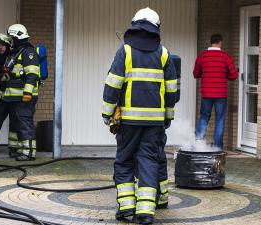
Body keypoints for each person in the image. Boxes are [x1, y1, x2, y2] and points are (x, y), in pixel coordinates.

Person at [102, 7, 177, 224]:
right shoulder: (163, 53)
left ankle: (126, 208)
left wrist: (107, 114)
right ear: (156, 28)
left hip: (129, 122)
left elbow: (112, 85)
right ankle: (145, 212)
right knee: (149, 162)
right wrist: (167, 117)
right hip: (154, 122)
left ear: (134, 25)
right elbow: (171, 90)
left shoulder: (124, 51)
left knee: (124, 161)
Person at [193, 33, 238, 150]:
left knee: (204, 117)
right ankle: (218, 148)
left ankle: (198, 144)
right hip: (221, 94)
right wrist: (224, 74)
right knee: (220, 119)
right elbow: (233, 76)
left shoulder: (202, 57)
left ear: (210, 41)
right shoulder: (225, 57)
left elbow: (196, 74)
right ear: (220, 42)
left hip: (206, 94)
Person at [4, 24, 40, 161]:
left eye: (11, 38)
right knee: (15, 123)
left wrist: (28, 93)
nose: (10, 40)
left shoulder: (28, 52)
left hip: (24, 97)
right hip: (14, 97)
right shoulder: (16, 52)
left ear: (17, 37)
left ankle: (29, 152)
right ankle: (16, 149)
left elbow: (32, 74)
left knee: (25, 123)